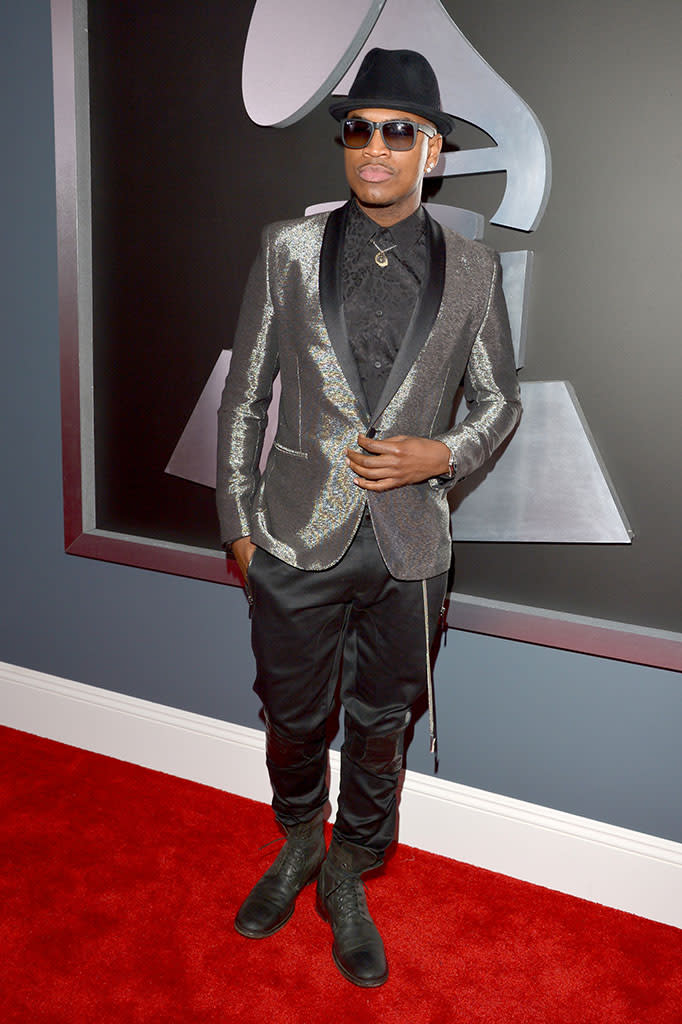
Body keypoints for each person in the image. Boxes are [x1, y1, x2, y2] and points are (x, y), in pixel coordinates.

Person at [216, 47, 521, 988]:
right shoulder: (288, 250)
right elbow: (245, 400)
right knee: (294, 717)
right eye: (361, 130)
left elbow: (497, 402)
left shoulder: (473, 270)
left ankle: (351, 871)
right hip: (296, 538)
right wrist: (237, 524)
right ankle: (301, 841)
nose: (376, 148)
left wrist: (444, 455)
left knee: (383, 721)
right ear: (346, 144)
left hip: (410, 547)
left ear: (431, 151)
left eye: (400, 132)